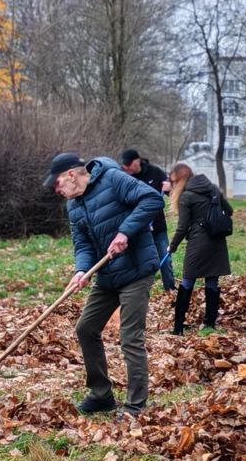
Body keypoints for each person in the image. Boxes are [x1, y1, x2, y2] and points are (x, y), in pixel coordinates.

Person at [45, 151, 164, 417]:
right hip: (107, 275)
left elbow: (152, 199)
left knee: (130, 337)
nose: (58, 191)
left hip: (136, 269)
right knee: (86, 328)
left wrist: (125, 232)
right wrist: (81, 270)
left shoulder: (113, 179)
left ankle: (136, 405)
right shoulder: (74, 204)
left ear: (71, 175)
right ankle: (101, 394)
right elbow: (83, 243)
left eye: (57, 184)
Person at [166, 162, 233, 334]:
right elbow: (229, 210)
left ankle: (178, 327)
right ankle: (209, 325)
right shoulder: (212, 189)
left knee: (188, 280)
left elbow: (182, 227)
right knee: (212, 281)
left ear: (179, 180)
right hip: (217, 241)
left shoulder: (186, 196)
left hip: (198, 243)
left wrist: (171, 247)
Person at [120, 148, 175, 291]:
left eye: (129, 164)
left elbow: (172, 193)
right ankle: (138, 291)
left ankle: (169, 289)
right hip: (137, 229)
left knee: (165, 258)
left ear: (137, 161)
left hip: (157, 227)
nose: (126, 168)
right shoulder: (125, 177)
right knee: (140, 262)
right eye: (125, 165)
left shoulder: (155, 173)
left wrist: (171, 187)